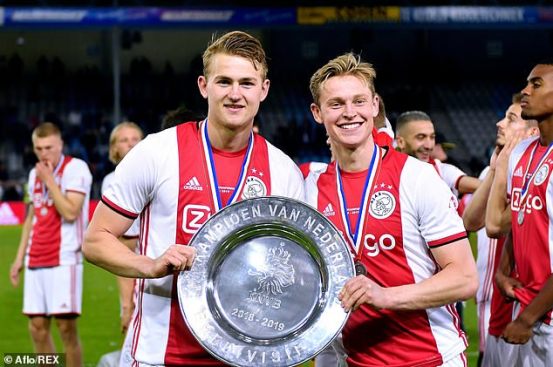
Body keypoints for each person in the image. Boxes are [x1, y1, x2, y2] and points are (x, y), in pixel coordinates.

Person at [83, 30, 304, 366]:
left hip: (245, 356)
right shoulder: (156, 152)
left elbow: (289, 269)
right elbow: (95, 240)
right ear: (204, 86)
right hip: (160, 354)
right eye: (223, 81)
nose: (235, 94)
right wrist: (151, 265)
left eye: (246, 83)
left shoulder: (283, 171)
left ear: (264, 89)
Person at [305, 52, 477, 366]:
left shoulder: (417, 177)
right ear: (317, 113)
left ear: (374, 105)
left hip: (429, 358)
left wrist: (386, 296)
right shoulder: (309, 189)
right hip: (354, 359)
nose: (349, 113)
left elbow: (464, 277)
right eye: (336, 104)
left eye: (358, 101)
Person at [462, 94, 538, 366]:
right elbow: (470, 222)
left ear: (531, 132)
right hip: (495, 300)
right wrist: (496, 169)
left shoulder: (536, 176)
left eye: (510, 118)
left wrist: (505, 165)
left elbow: (496, 225)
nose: (499, 123)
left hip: (526, 300)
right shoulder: (492, 169)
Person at [9, 122, 92, 367]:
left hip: (64, 258)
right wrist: (18, 258)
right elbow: (30, 218)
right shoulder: (34, 174)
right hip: (36, 257)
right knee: (37, 328)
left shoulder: (76, 168)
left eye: (49, 147)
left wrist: (50, 181)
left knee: (66, 327)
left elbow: (69, 212)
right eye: (39, 148)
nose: (44, 153)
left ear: (60, 145)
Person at [491, 61, 553, 366]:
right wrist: (503, 271)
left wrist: (526, 320)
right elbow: (519, 218)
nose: (525, 91)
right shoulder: (522, 151)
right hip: (527, 305)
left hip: (545, 317)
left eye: (536, 84)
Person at [101, 121, 144, 335]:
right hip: (137, 269)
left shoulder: (154, 175)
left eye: (136, 139)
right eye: (124, 140)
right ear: (114, 148)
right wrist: (126, 303)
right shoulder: (112, 181)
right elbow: (121, 246)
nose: (131, 144)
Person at [395, 110, 481, 195]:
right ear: (401, 142)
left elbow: (480, 186)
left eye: (432, 137)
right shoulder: (384, 170)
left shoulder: (440, 170)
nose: (429, 146)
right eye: (420, 137)